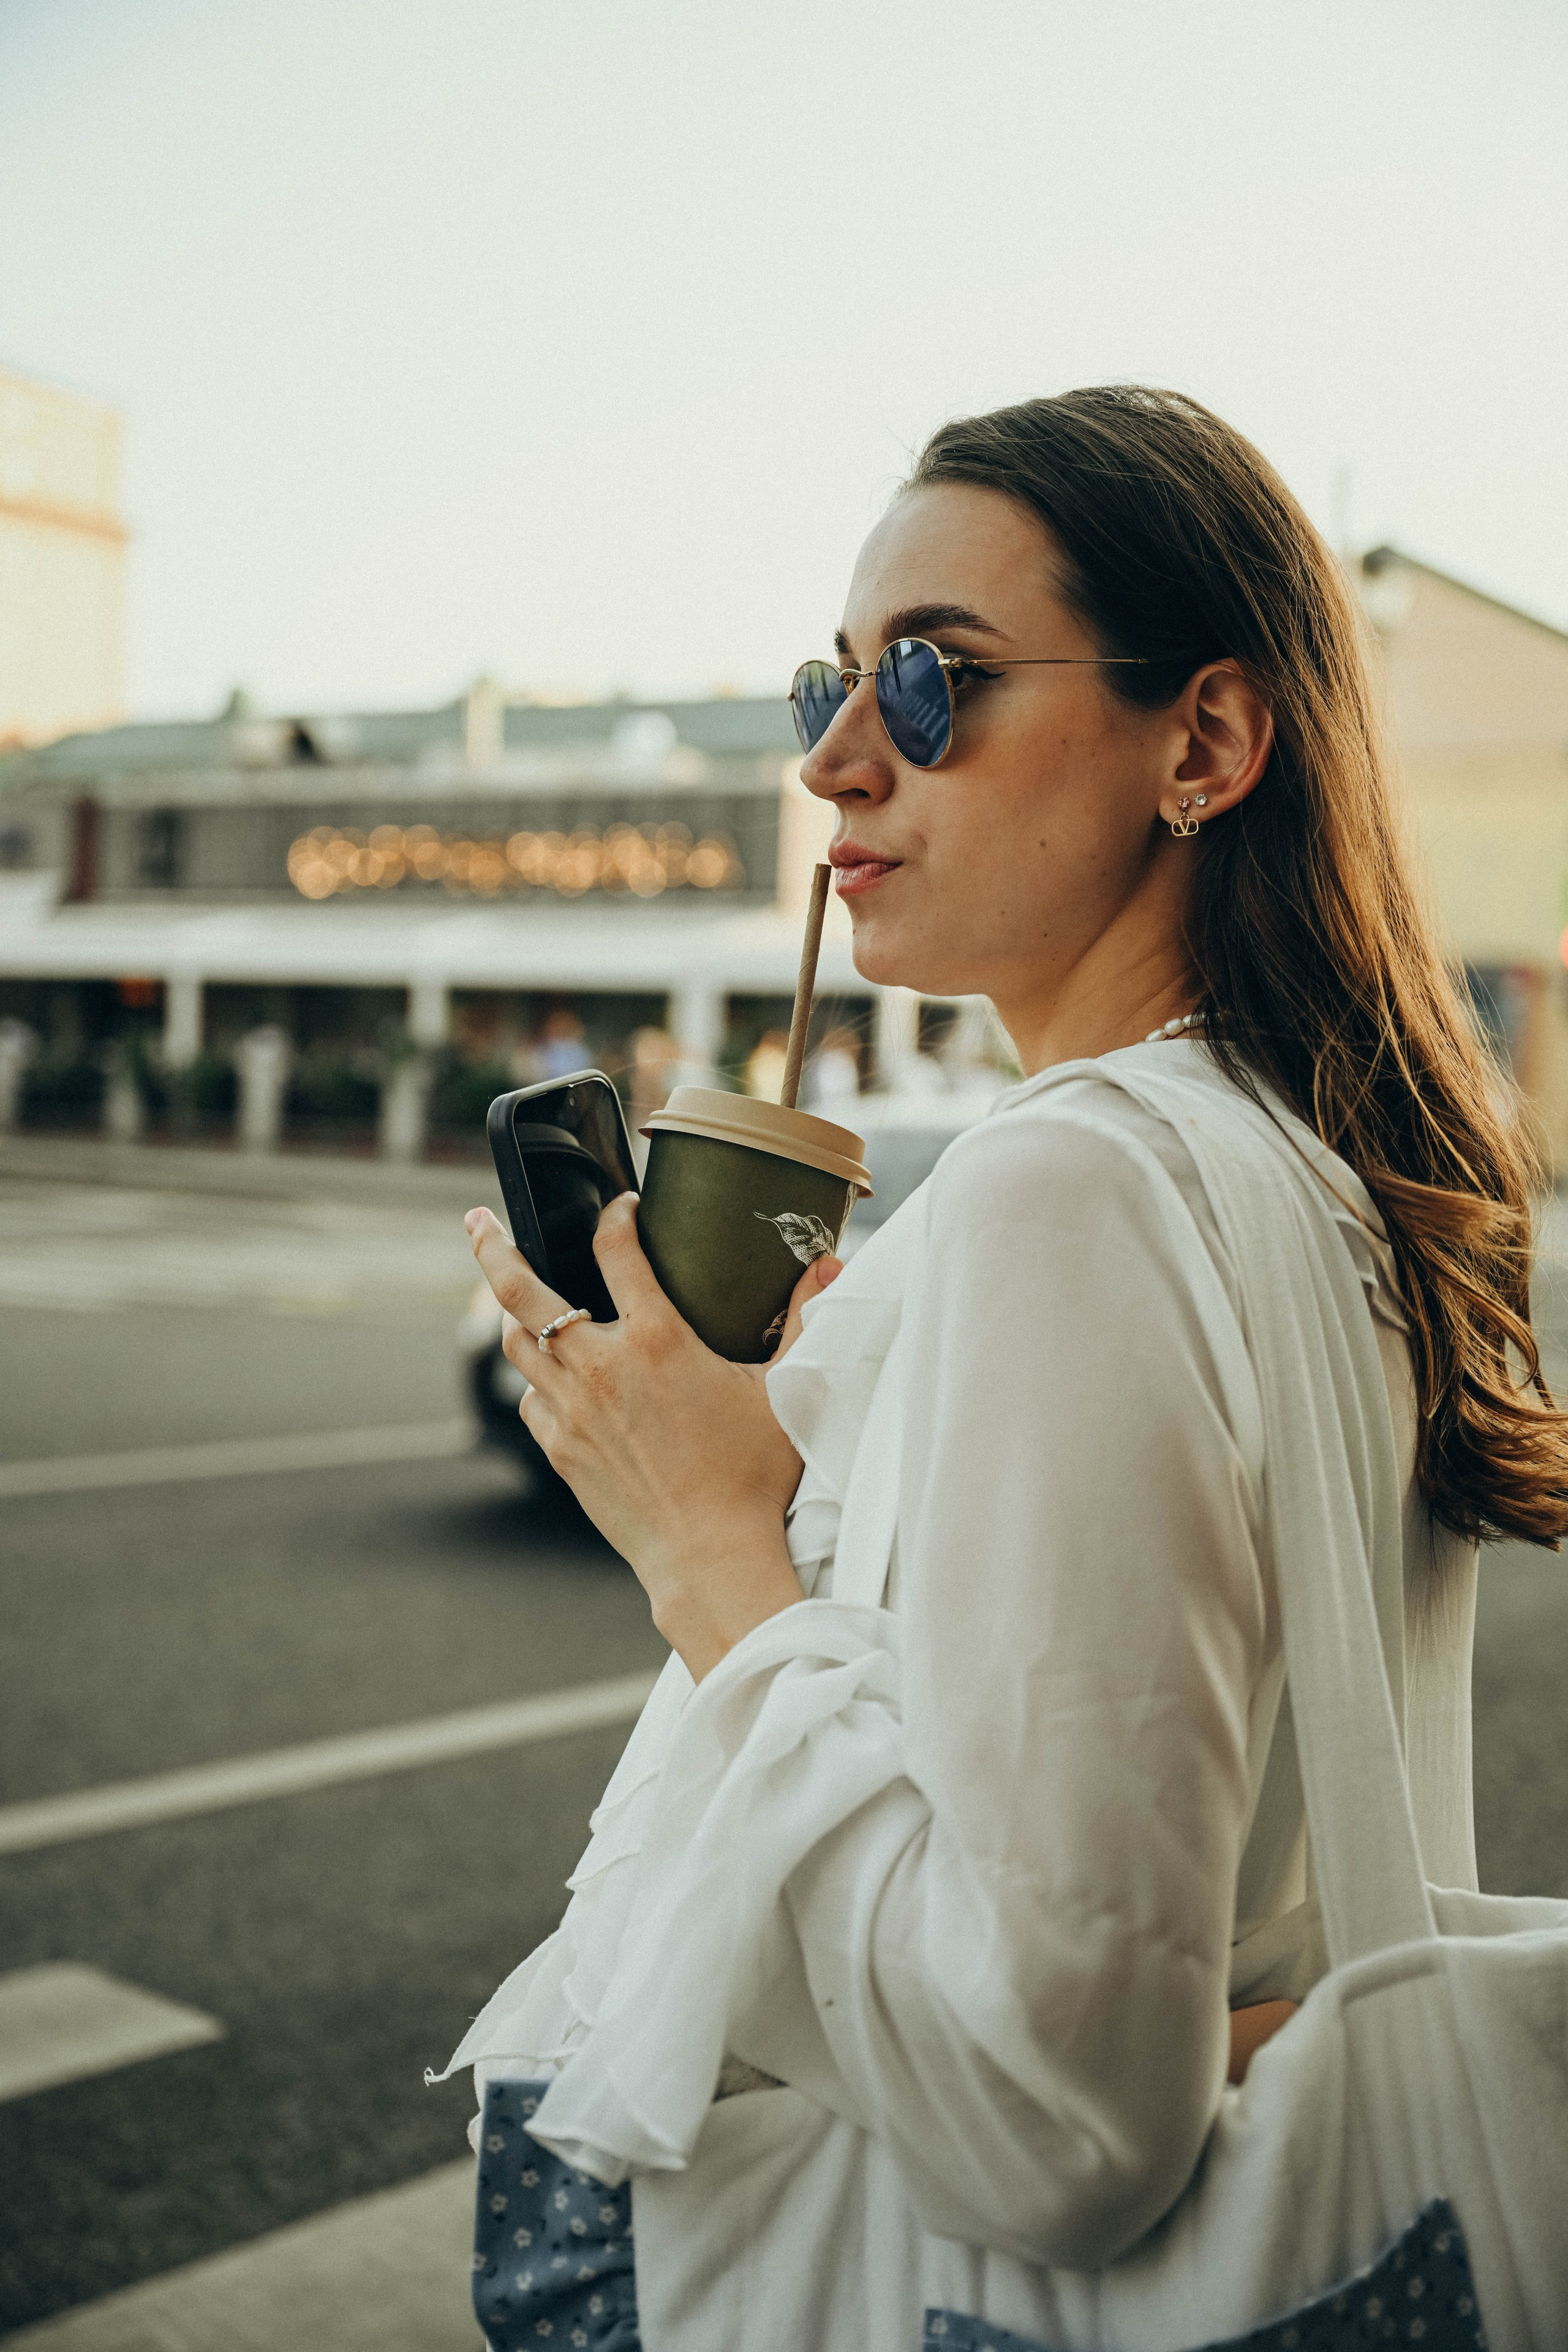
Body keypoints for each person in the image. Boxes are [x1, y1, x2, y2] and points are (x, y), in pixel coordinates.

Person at [442, 388, 1568, 2351]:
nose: (844, 764)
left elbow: (1065, 2126)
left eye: (936, 685)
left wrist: (711, 1544)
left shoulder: (1073, 1186)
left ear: (1204, 740)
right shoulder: (1307, 1162)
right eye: (829, 688)